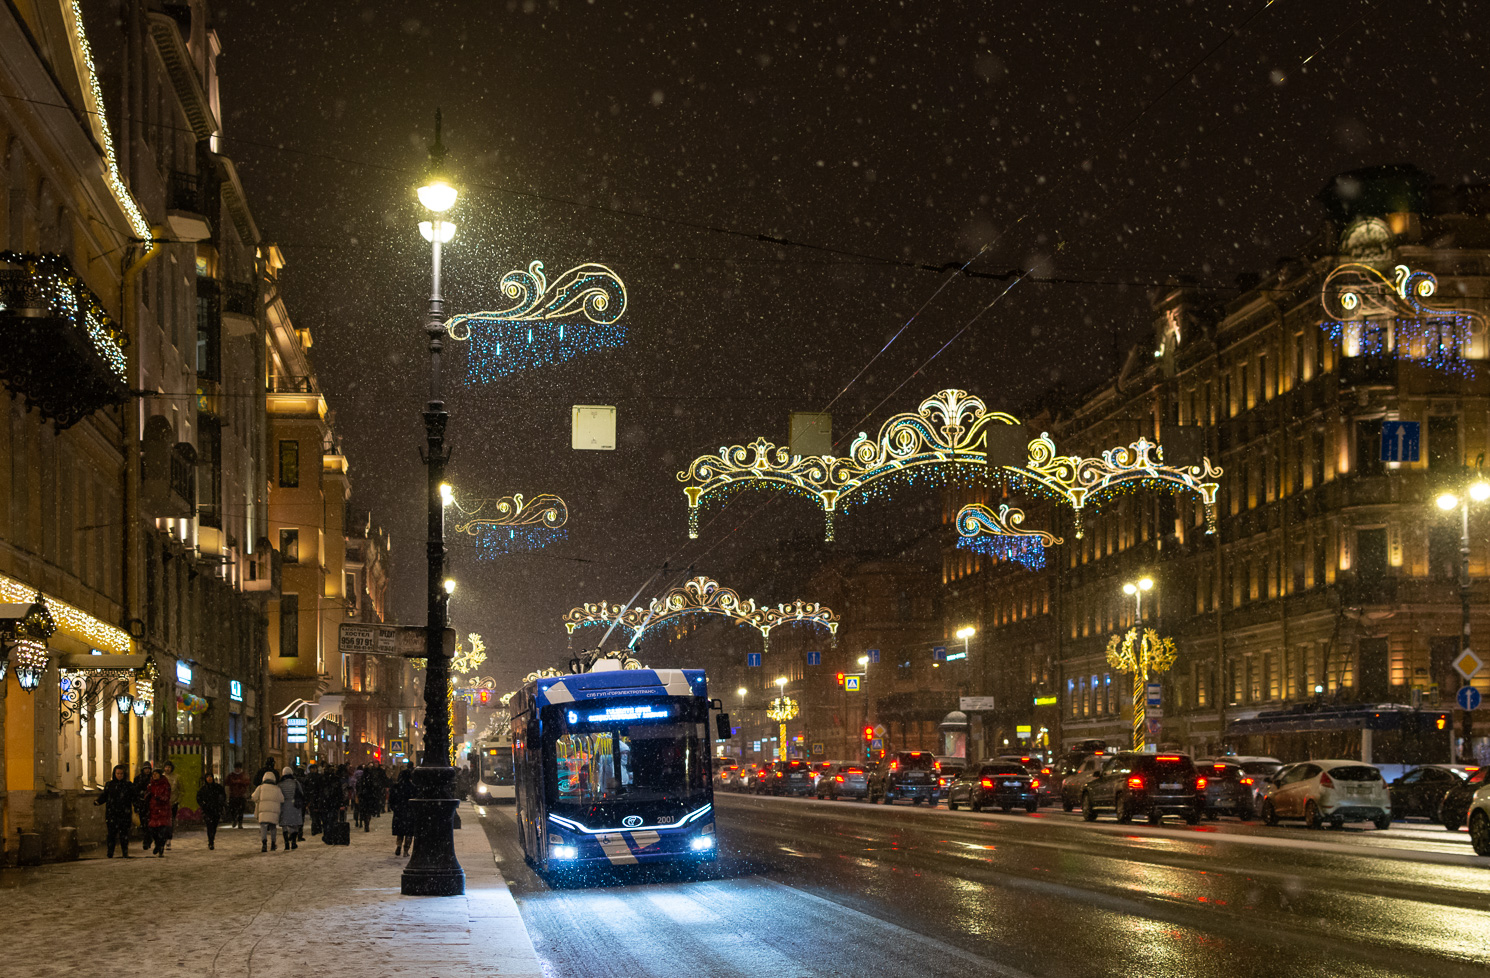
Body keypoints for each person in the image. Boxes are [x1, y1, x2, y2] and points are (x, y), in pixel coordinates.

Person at [95, 764, 137, 858]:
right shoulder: (110, 785)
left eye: (121, 774)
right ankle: (110, 852)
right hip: (112, 814)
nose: (119, 775)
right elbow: (105, 796)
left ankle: (124, 852)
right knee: (111, 834)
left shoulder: (128, 785)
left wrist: (137, 806)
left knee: (124, 834)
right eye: (118, 773)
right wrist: (98, 801)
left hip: (124, 814)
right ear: (114, 774)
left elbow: (133, 797)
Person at [388, 767, 417, 856]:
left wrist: (394, 808)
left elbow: (391, 799)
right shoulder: (413, 787)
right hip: (409, 811)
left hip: (399, 811)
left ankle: (399, 845)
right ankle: (406, 850)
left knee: (400, 831)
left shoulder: (396, 786)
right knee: (409, 832)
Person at [252, 771, 283, 852]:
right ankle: (273, 844)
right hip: (273, 811)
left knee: (263, 827)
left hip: (263, 812)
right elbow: (282, 799)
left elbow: (254, 797)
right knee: (273, 827)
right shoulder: (277, 789)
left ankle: (264, 844)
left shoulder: (260, 788)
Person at [144, 769, 173, 856]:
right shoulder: (151, 784)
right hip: (153, 810)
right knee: (154, 830)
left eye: (156, 774)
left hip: (163, 811)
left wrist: (160, 798)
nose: (155, 775)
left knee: (162, 831)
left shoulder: (165, 784)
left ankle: (160, 847)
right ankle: (158, 845)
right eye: (153, 774)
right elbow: (148, 794)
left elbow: (167, 796)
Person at [277, 766, 305, 850]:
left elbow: (278, 795)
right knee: (294, 824)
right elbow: (301, 793)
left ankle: (286, 844)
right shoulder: (296, 783)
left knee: (285, 825)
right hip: (294, 805)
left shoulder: (280, 784)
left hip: (284, 805)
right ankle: (293, 842)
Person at [197, 772, 227, 850]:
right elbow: (199, 798)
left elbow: (223, 796)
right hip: (207, 810)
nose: (209, 778)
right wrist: (203, 805)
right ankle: (211, 841)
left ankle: (211, 838)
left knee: (214, 826)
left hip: (216, 809)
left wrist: (220, 804)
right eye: (207, 777)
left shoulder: (218, 787)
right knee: (209, 825)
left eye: (210, 777)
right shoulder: (203, 789)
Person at [161, 760, 180, 850]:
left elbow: (181, 790)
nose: (167, 769)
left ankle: (168, 838)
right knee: (163, 821)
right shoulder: (162, 777)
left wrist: (178, 800)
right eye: (166, 767)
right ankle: (163, 837)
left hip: (173, 803)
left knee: (170, 821)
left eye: (169, 767)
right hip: (163, 804)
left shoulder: (177, 777)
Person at [132, 761, 153, 843]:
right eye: (146, 769)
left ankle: (148, 836)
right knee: (143, 821)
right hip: (141, 803)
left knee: (150, 821)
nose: (147, 770)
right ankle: (146, 836)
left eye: (148, 769)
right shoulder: (138, 779)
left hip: (150, 803)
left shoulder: (152, 778)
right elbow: (135, 792)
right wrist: (136, 804)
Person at [226, 764, 251, 829]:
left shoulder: (243, 775)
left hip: (241, 795)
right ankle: (234, 819)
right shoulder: (231, 775)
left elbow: (247, 782)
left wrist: (240, 782)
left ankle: (240, 822)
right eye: (236, 768)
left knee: (241, 810)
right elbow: (227, 782)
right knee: (233, 809)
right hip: (233, 795)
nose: (237, 769)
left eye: (238, 768)